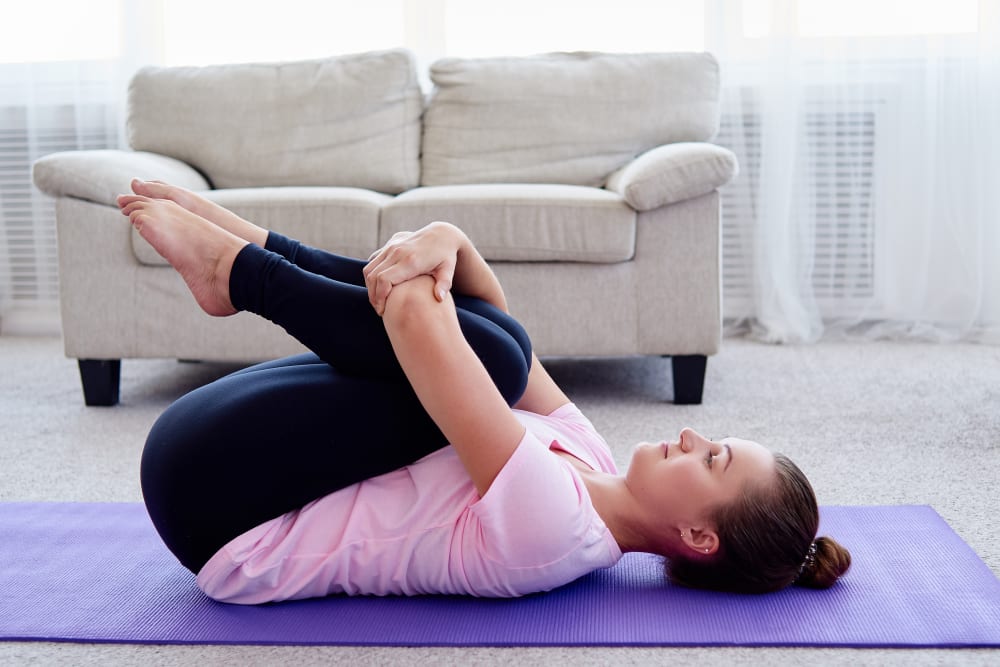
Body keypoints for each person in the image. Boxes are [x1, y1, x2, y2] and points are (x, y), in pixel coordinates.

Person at [117, 179, 851, 603]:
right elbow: (496, 323)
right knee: (501, 348)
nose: (693, 436)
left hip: (219, 506)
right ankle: (257, 254)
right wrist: (451, 238)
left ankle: (246, 273)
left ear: (698, 536)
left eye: (713, 459)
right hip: (228, 446)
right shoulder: (589, 460)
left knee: (482, 362)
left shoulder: (556, 531)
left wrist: (439, 244)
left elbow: (417, 317)